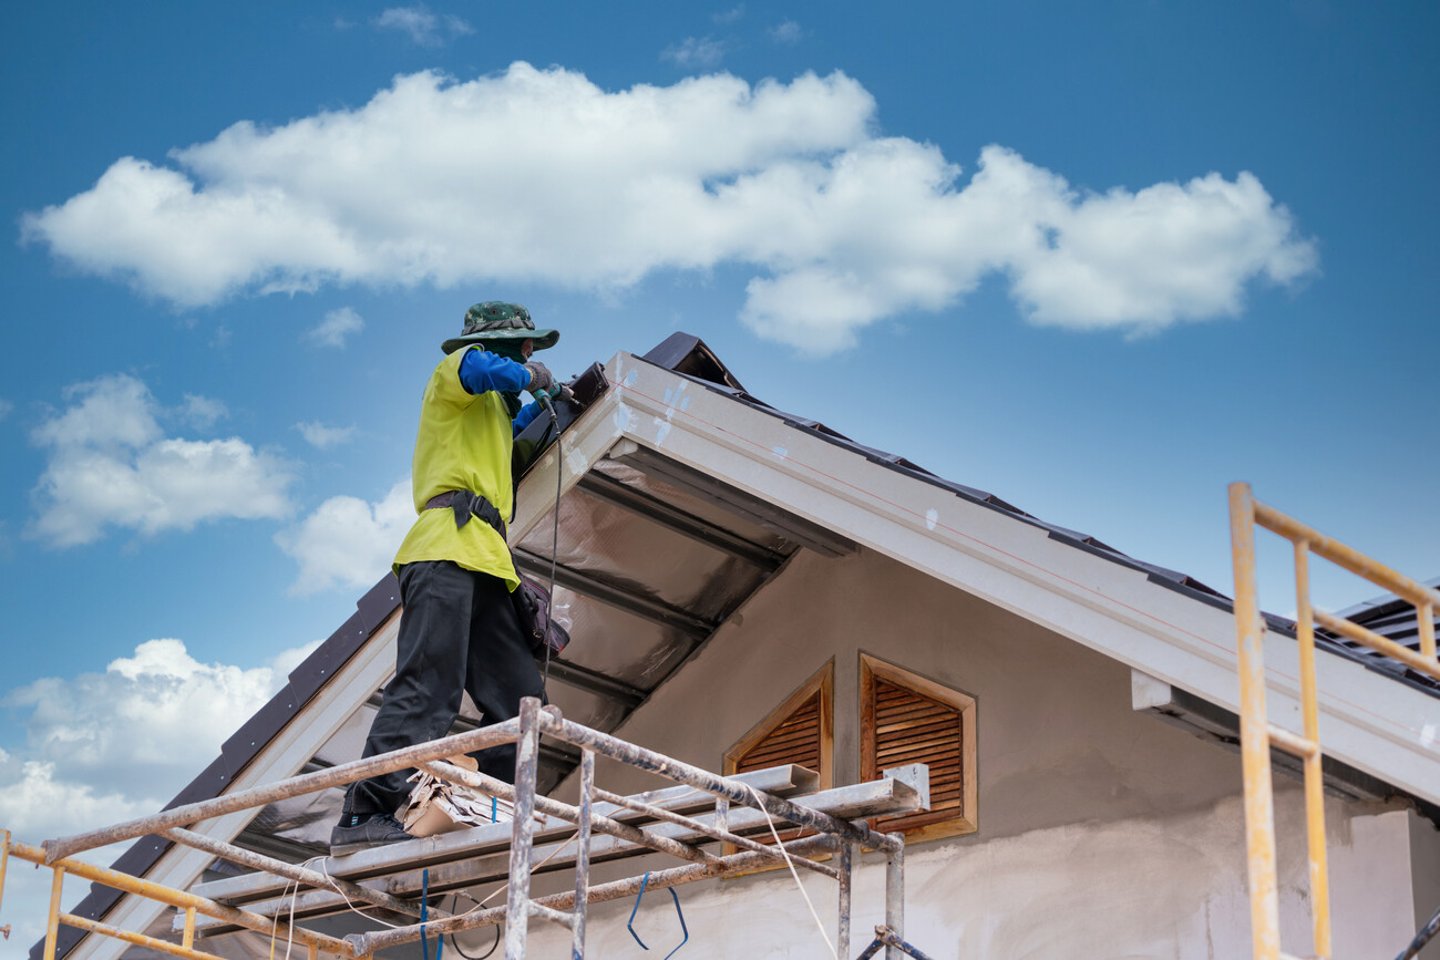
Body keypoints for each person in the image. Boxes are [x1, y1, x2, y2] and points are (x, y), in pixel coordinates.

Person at [330, 301, 561, 856]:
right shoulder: (455, 375)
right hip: (443, 548)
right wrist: (532, 379)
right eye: (526, 345)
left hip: (488, 560)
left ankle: (446, 784)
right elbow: (479, 370)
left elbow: (521, 439)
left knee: (524, 708)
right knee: (428, 687)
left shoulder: (491, 419)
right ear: (502, 343)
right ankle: (362, 814)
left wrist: (550, 406)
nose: (532, 353)